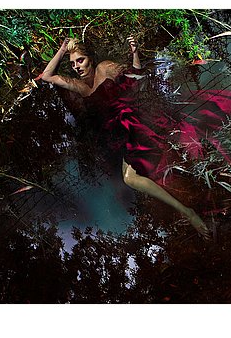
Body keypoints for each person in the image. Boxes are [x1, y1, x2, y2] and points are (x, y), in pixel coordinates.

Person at [40, 36, 212, 239]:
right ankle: (185, 202)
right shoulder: (80, 86)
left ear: (91, 59)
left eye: (81, 60)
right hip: (116, 136)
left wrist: (135, 52)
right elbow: (47, 76)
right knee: (136, 174)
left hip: (131, 124)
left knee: (130, 178)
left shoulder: (104, 68)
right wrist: (61, 49)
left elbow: (135, 76)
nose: (77, 66)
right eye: (72, 64)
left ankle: (186, 211)